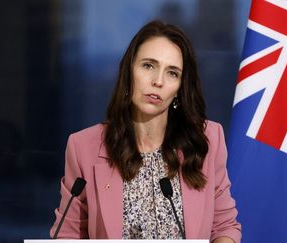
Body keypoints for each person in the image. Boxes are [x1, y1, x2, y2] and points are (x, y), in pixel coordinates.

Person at [50, 20, 241, 242]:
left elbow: (224, 225)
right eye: (148, 65)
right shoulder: (83, 147)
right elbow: (68, 234)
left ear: (179, 89)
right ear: (129, 71)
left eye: (172, 73)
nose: (158, 81)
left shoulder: (207, 140)